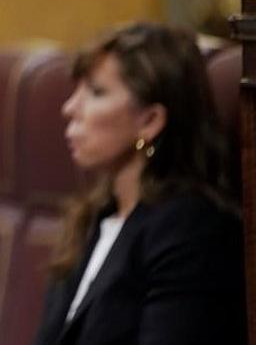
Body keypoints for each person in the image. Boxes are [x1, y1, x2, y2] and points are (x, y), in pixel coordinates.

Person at [33, 22, 247, 345]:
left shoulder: (190, 229)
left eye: (96, 92)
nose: (69, 108)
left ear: (150, 121)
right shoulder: (94, 217)